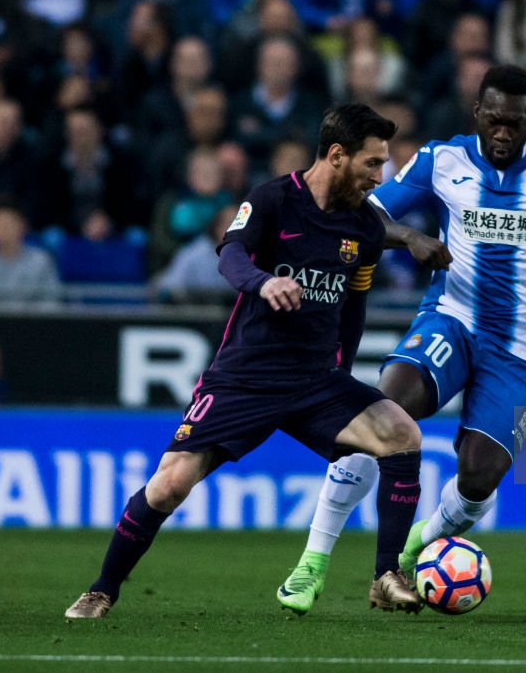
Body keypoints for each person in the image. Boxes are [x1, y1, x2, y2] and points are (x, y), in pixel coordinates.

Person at [278, 65, 526, 614]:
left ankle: (419, 544)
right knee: (384, 409)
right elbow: (365, 216)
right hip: (451, 319)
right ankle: (311, 564)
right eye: (495, 121)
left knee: (481, 473)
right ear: (477, 115)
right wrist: (411, 237)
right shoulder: (442, 161)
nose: (504, 134)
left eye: (515, 123)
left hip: (519, 344)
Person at [64, 103, 426, 620]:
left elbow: (355, 304)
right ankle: (101, 590)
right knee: (168, 486)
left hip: (316, 380)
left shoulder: (366, 227)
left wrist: (341, 370)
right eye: (372, 164)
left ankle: (386, 575)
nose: (379, 177)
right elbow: (230, 255)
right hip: (246, 377)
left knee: (402, 434)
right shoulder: (274, 199)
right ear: (338, 155)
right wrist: (265, 282)